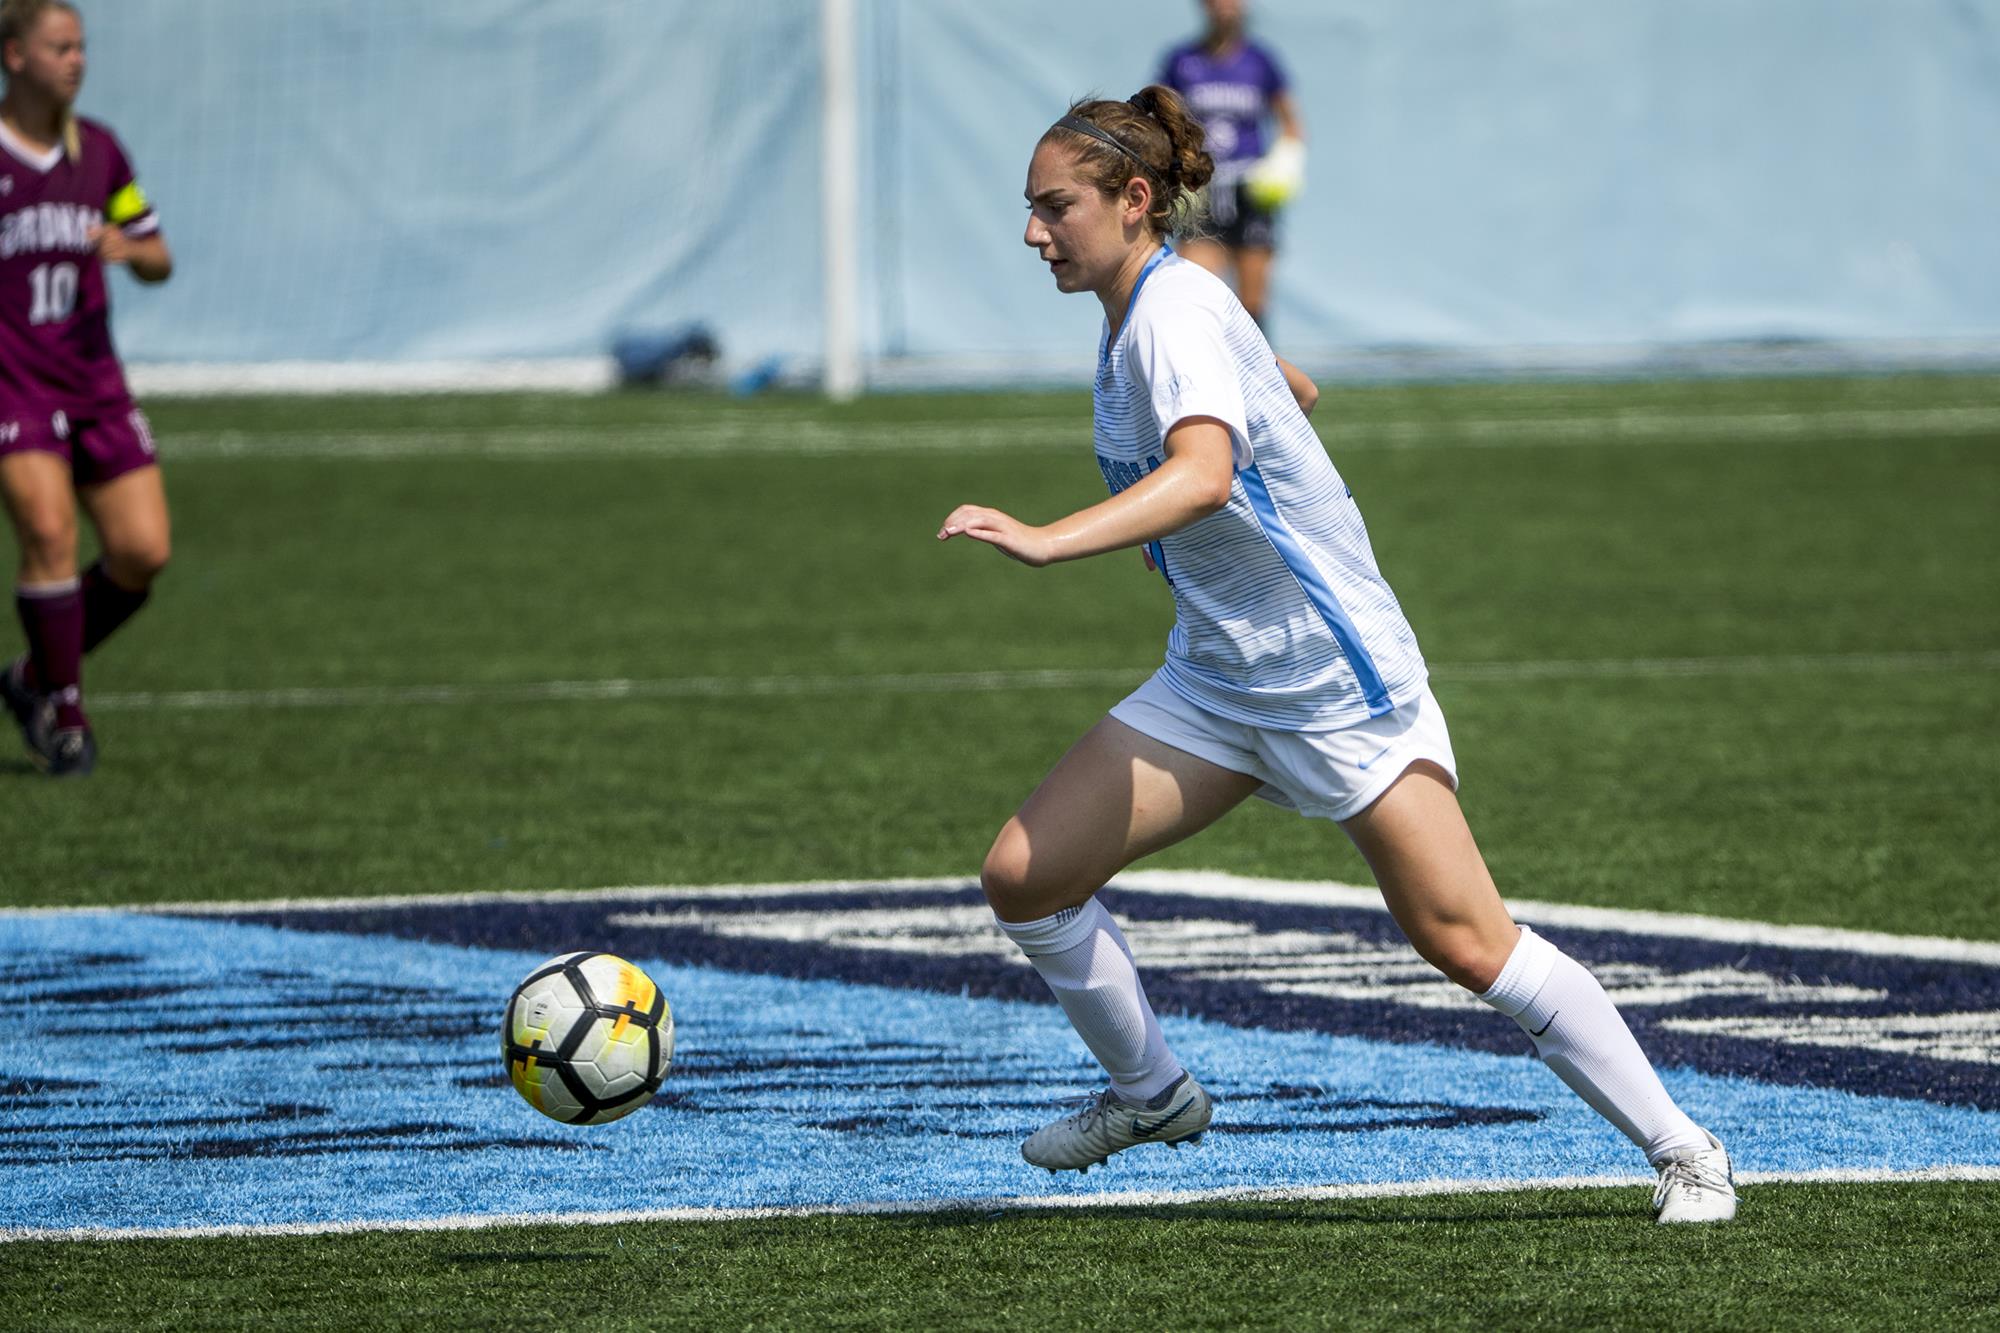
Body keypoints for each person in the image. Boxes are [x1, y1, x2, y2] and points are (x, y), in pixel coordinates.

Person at [936, 86, 1737, 1224]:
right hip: (1219, 677)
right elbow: (1277, 392)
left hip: (1328, 678)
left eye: (1053, 206)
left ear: (1131, 199)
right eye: (1028, 208)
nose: (1031, 232)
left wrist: (1045, 539)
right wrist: (1275, 387)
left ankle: (1685, 1150)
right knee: (1025, 876)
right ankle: (1151, 1094)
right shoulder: (1152, 313)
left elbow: (1206, 470)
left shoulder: (1169, 314)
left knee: (1468, 942)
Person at [0, 0, 171, 778]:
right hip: (16, 386)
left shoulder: (100, 151)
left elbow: (159, 250)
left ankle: (30, 676)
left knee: (141, 551)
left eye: (82, 47)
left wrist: (130, 249)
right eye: (59, 46)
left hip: (96, 383)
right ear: (14, 57)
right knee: (47, 529)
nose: (77, 59)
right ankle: (63, 709)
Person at [1157, 0, 1300, 328]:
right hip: (1201, 190)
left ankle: (1258, 376)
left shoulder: (1260, 62)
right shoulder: (1181, 61)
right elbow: (1161, 119)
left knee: (1252, 302)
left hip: (1250, 191)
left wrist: (1284, 164)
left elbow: (1291, 123)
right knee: (1195, 293)